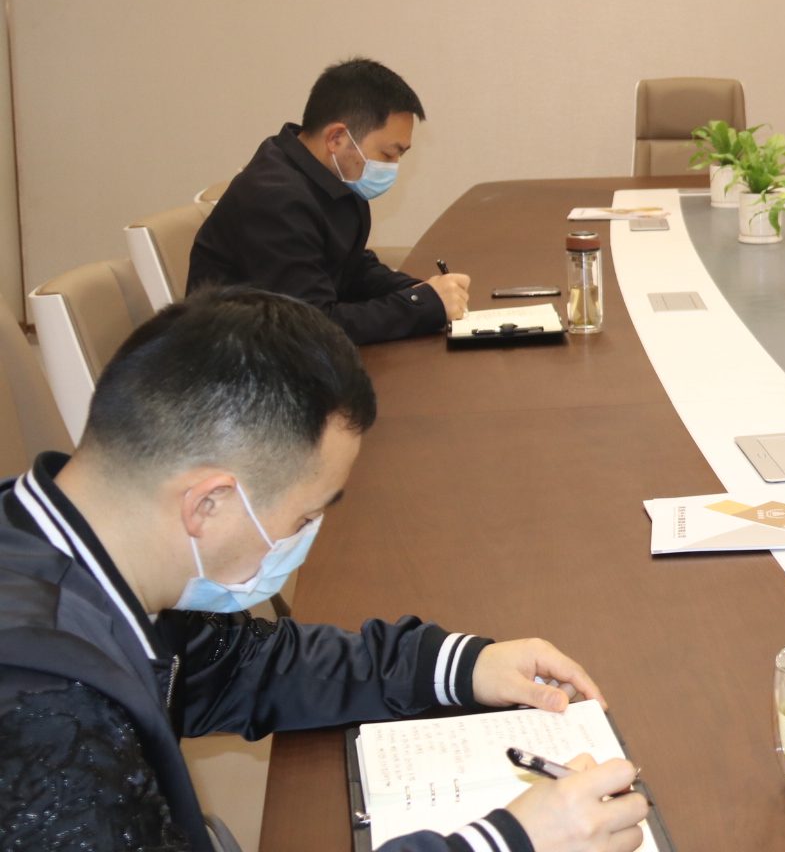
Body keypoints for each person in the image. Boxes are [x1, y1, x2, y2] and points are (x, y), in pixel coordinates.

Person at [0, 288, 648, 852]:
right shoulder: (48, 709)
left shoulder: (77, 547)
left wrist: (455, 665)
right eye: (306, 515)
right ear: (207, 503)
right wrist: (503, 843)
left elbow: (241, 667)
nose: (305, 537)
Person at [190, 58, 470, 344]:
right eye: (388, 154)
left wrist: (418, 290)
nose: (393, 166)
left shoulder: (331, 177)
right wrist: (421, 306)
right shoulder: (275, 200)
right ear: (336, 137)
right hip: (237, 359)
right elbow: (310, 327)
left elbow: (352, 269)